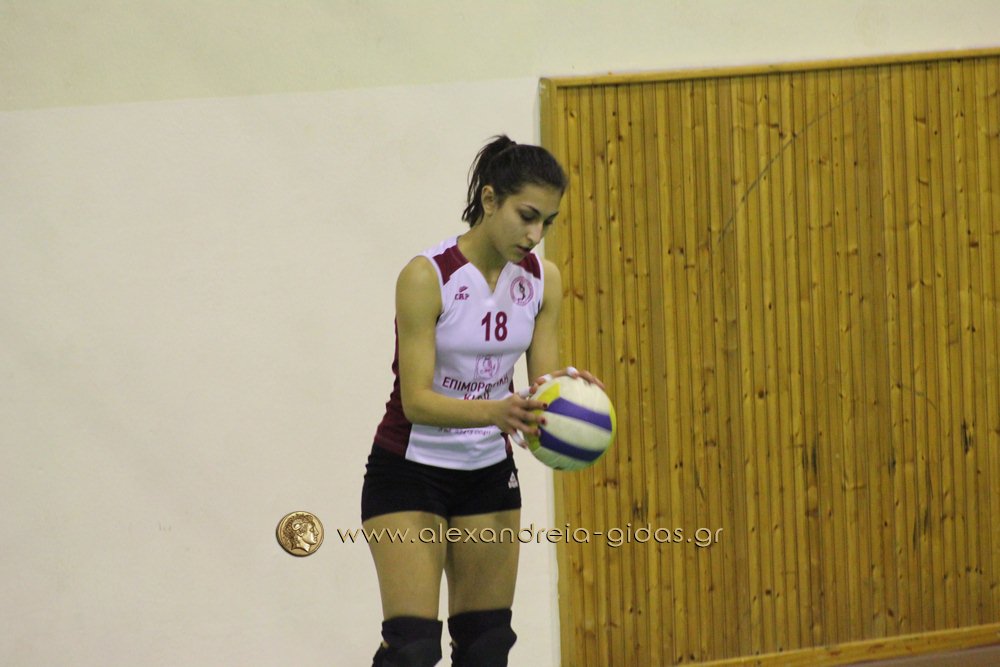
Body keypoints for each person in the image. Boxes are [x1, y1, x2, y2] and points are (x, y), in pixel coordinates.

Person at [361, 135, 602, 667]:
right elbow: (417, 402)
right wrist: (497, 411)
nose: (535, 236)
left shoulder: (542, 280)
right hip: (410, 472)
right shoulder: (428, 275)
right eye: (527, 216)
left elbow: (540, 391)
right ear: (490, 200)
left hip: (487, 474)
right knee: (412, 649)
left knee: (486, 647)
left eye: (548, 222)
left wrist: (569, 397)